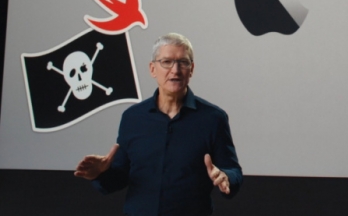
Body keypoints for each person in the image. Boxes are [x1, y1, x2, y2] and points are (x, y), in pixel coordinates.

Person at [74, 33, 242, 215]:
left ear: (191, 69)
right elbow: (119, 177)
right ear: (152, 69)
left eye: (183, 62)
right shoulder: (133, 118)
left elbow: (233, 170)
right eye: (167, 62)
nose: (175, 70)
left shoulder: (213, 118)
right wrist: (99, 174)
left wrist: (226, 177)